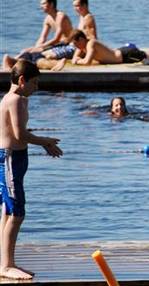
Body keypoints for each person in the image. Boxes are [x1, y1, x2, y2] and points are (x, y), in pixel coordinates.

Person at [0, 60, 63, 279]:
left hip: (14, 159)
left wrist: (41, 142)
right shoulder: (15, 99)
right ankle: (6, 265)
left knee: (8, 211)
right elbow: (20, 135)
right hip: (10, 159)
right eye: (34, 82)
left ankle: (6, 263)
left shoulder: (18, 99)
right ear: (21, 80)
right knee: (16, 212)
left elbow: (20, 133)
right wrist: (45, 141)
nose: (37, 87)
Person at [69, 29, 149, 65]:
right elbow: (76, 57)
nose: (75, 47)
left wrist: (78, 60)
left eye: (75, 43)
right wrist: (77, 58)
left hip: (126, 56)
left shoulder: (91, 43)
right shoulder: (82, 46)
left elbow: (87, 62)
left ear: (81, 39)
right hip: (123, 52)